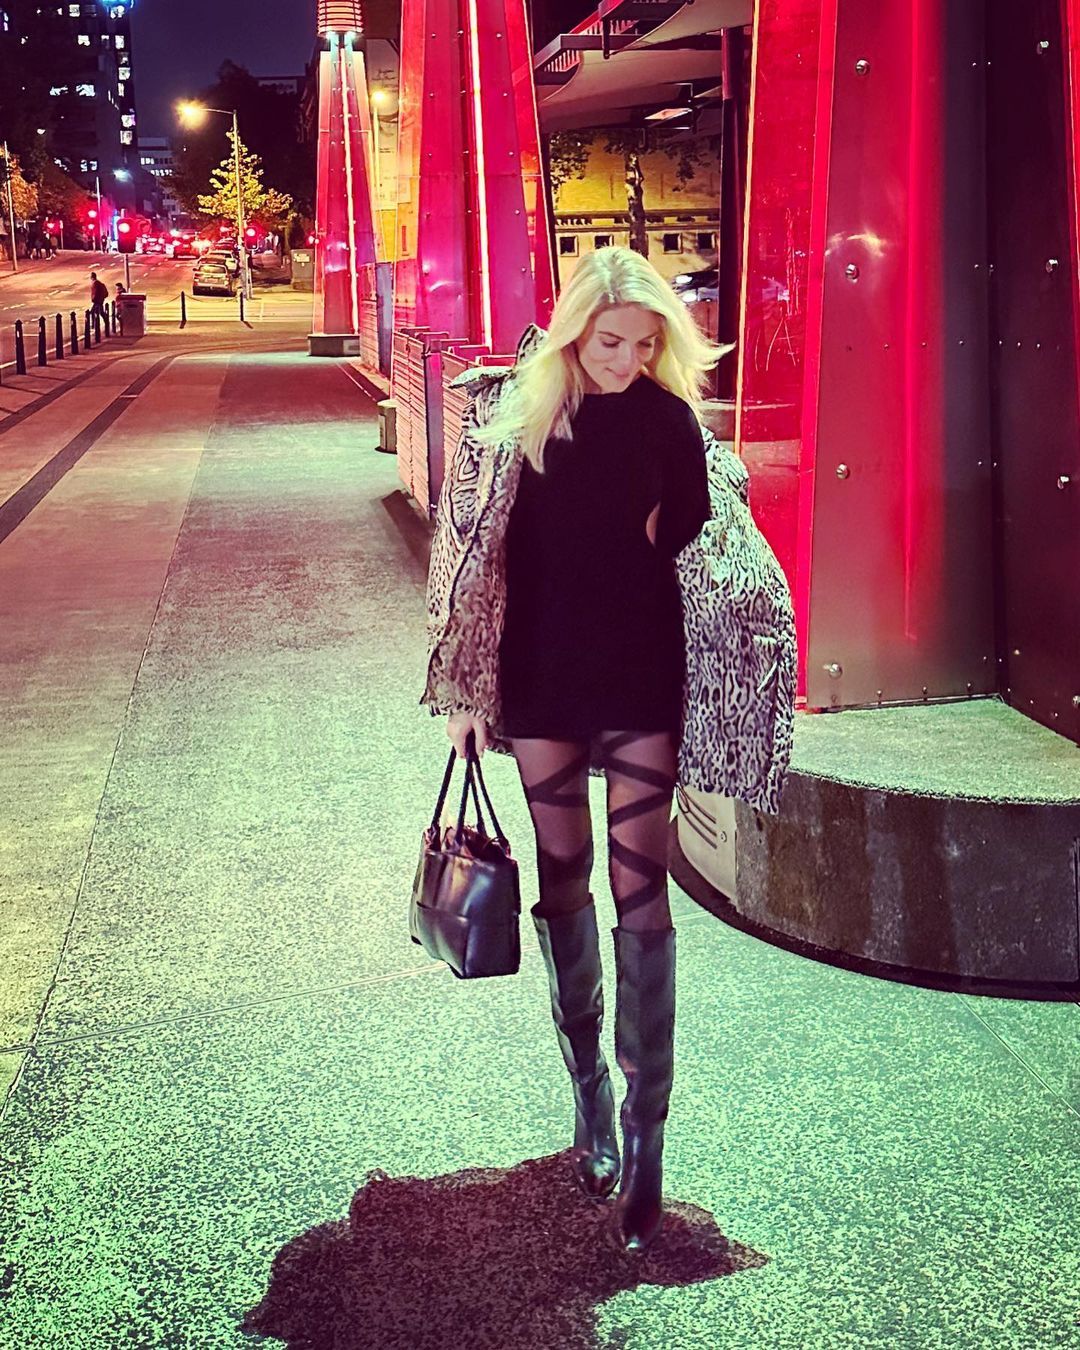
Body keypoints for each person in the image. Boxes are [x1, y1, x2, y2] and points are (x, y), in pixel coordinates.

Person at [422, 245, 795, 1255]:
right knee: (565, 873)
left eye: (642, 343)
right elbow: (469, 559)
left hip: (639, 670)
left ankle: (647, 1132)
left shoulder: (671, 423)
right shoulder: (517, 421)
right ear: (573, 332)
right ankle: (587, 1091)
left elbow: (689, 537)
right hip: (542, 671)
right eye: (608, 342)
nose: (625, 359)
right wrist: (464, 690)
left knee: (642, 884)